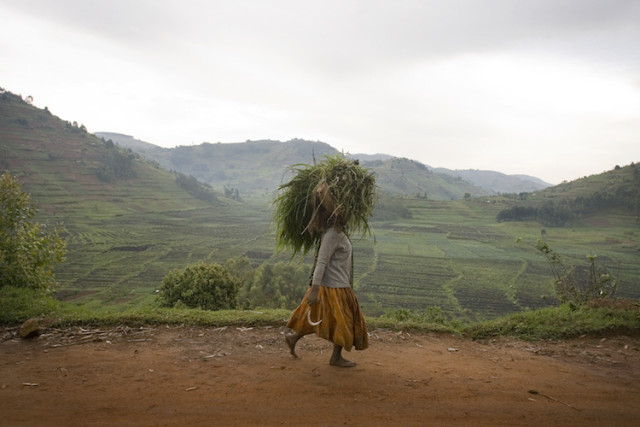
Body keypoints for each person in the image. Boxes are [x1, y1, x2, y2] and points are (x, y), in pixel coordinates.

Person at [284, 197, 369, 367]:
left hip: (338, 285)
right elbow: (321, 262)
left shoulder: (338, 233)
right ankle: (335, 357)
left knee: (316, 316)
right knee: (344, 321)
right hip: (332, 287)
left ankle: (293, 338)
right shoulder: (331, 235)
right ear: (337, 213)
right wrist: (315, 290)